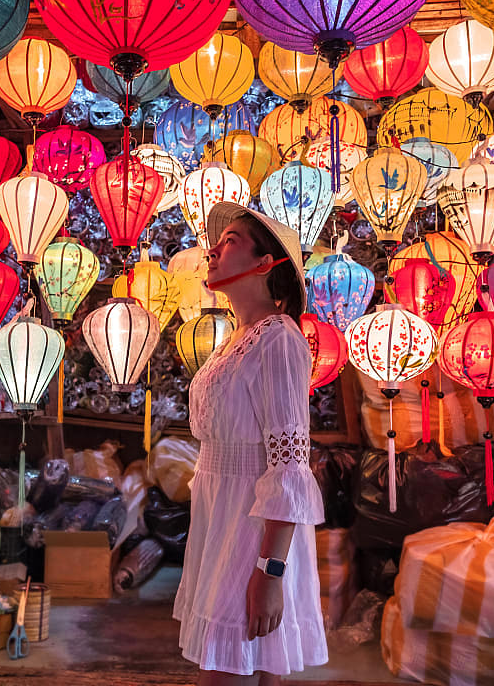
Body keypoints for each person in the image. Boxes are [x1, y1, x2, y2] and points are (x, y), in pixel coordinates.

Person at [173, 201, 327, 685]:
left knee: (233, 667)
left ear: (264, 264)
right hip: (220, 518)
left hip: (253, 528)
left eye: (231, 242)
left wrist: (270, 571)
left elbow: (289, 464)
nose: (213, 251)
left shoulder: (278, 339)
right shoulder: (236, 338)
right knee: (240, 667)